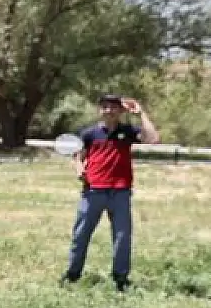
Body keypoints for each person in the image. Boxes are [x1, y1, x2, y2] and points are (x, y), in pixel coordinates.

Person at [63, 95, 158, 292]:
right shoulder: (89, 134)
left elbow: (153, 139)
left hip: (120, 193)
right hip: (93, 192)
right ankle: (72, 275)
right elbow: (78, 158)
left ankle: (120, 279)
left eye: (113, 107)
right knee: (80, 235)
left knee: (122, 237)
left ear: (121, 111)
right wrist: (79, 169)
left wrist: (141, 114)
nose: (109, 110)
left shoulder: (128, 132)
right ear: (100, 110)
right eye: (105, 107)